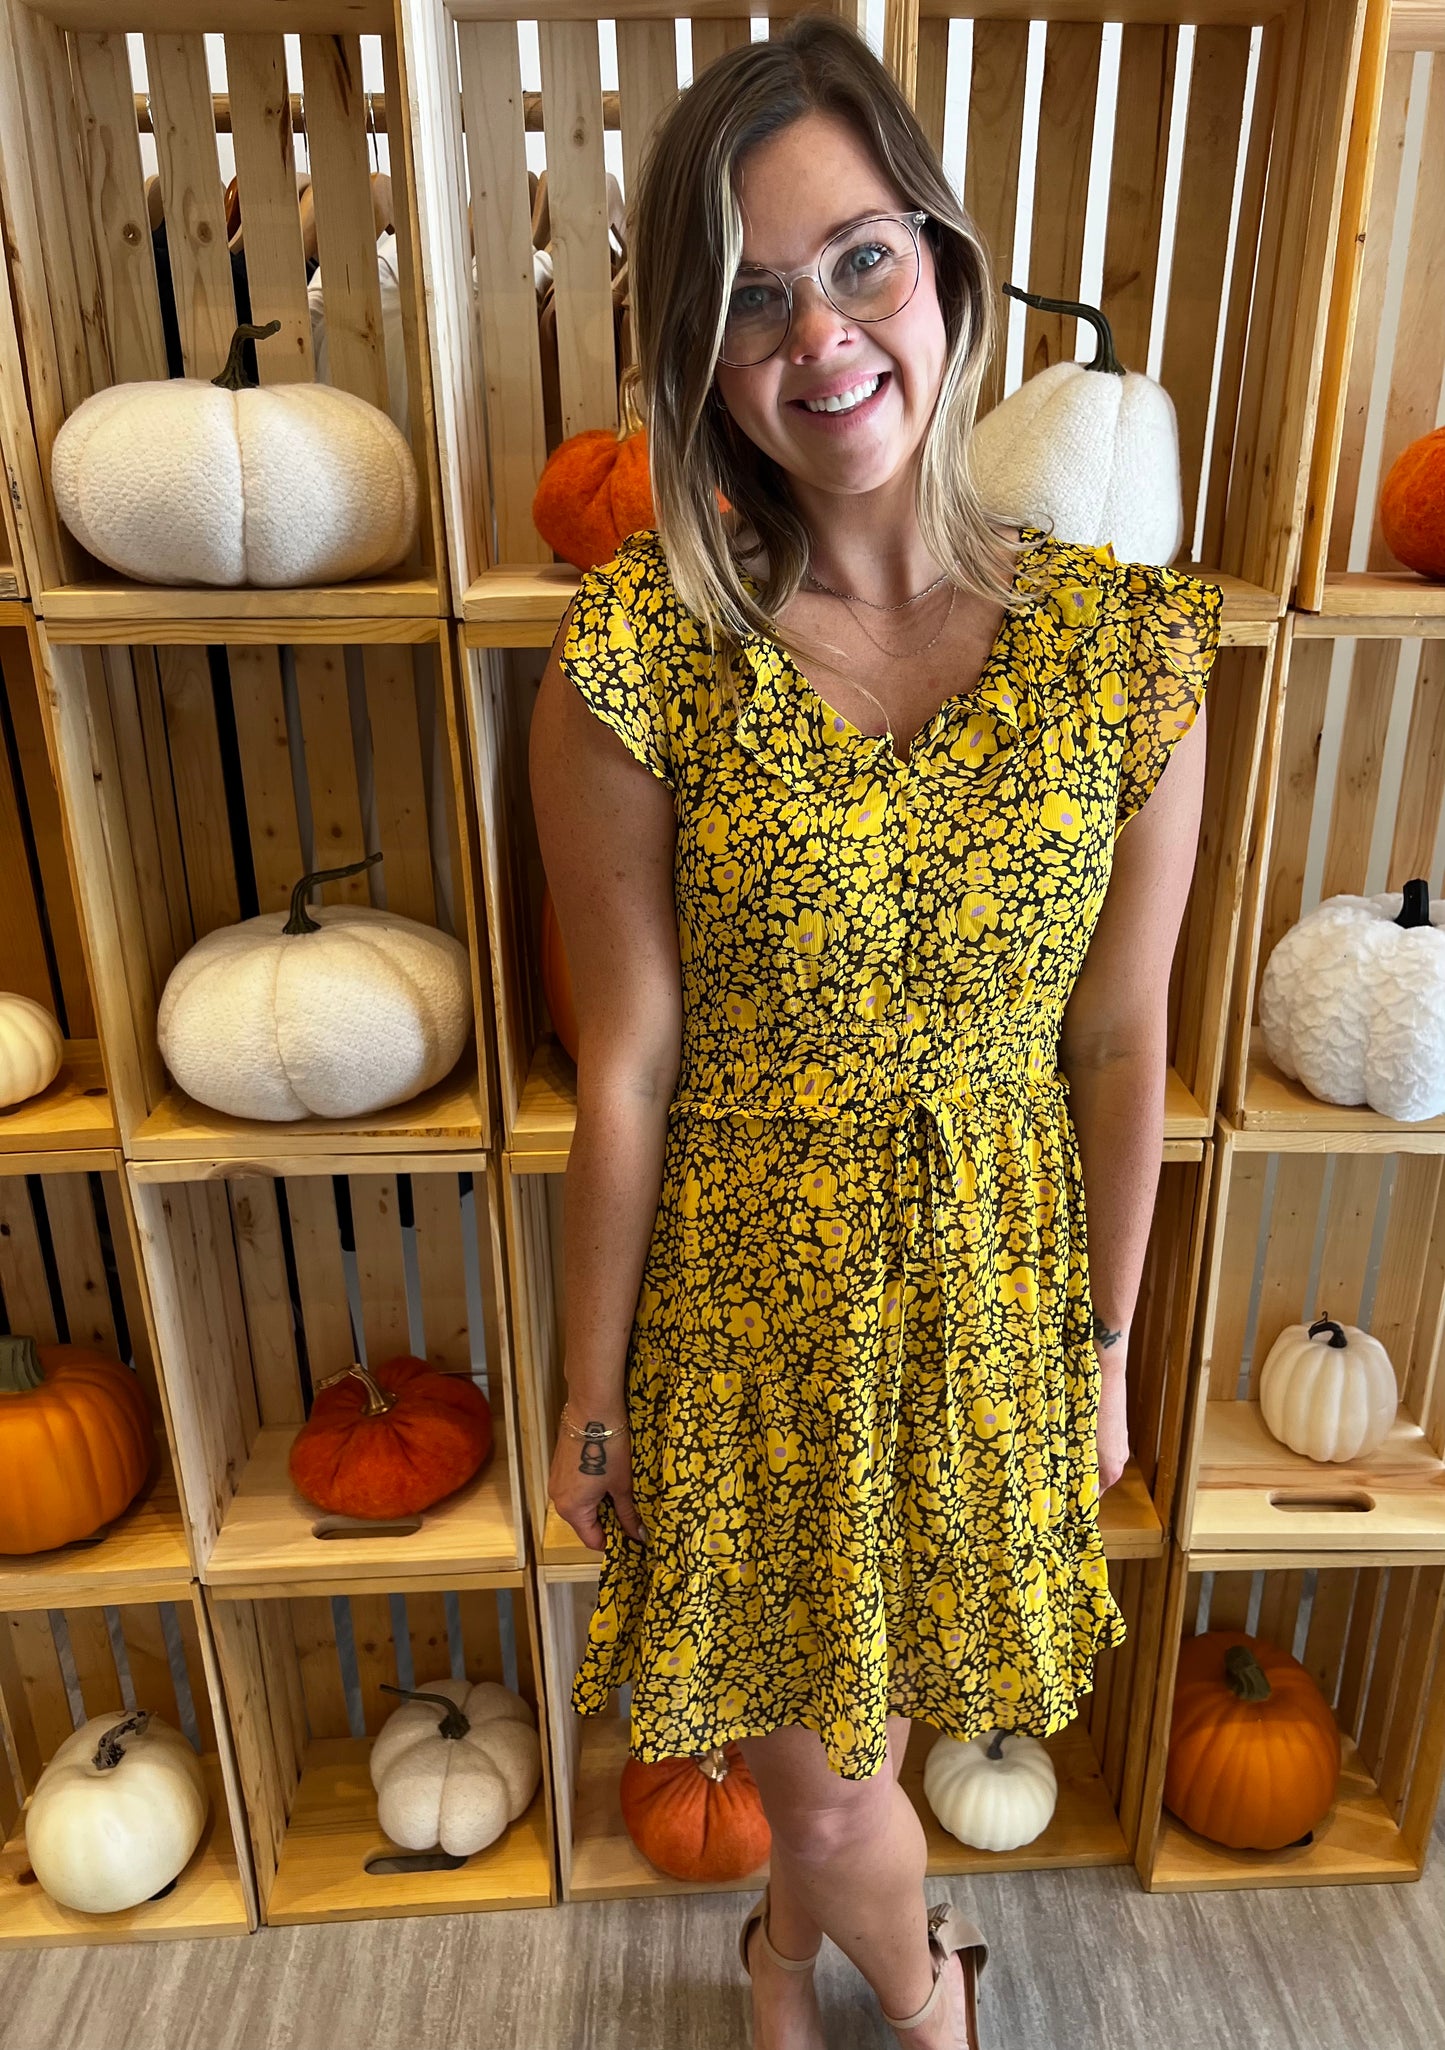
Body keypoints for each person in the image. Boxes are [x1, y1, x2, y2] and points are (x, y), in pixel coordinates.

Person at [530, 15, 1222, 2049]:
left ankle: (775, 1947)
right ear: (697, 358)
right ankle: (923, 1994)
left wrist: (1102, 1346)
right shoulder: (644, 659)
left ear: (946, 268)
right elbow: (628, 1064)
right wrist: (591, 1393)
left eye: (855, 262)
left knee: (877, 1718)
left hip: (996, 1295)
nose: (819, 337)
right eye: (749, 300)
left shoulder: (1125, 654)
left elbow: (1123, 1044)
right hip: (749, 1307)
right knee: (829, 1771)